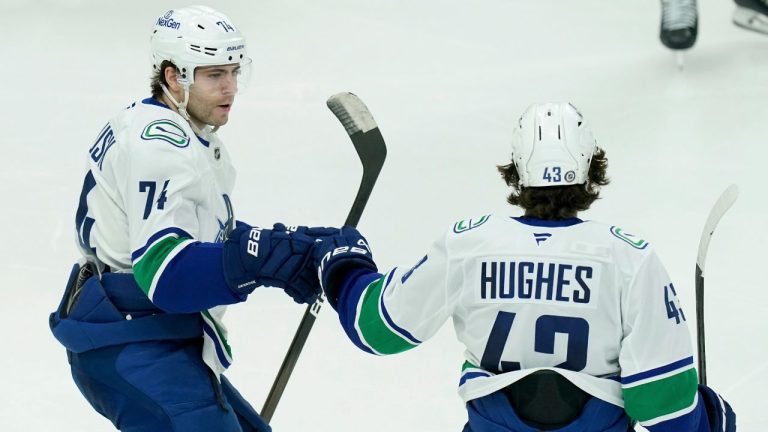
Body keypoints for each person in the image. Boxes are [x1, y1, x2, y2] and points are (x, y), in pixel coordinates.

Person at [313, 102, 737, 431]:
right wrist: (711, 418)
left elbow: (378, 329)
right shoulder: (630, 258)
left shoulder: (469, 243)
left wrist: (343, 267)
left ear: (516, 170)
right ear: (591, 170)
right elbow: (662, 405)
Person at [49, 6, 333, 431]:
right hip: (128, 336)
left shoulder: (170, 129)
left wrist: (285, 250)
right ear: (173, 76)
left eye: (234, 72)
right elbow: (166, 274)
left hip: (148, 326)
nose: (230, 87)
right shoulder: (161, 146)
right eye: (214, 74)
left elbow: (197, 236)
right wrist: (261, 259)